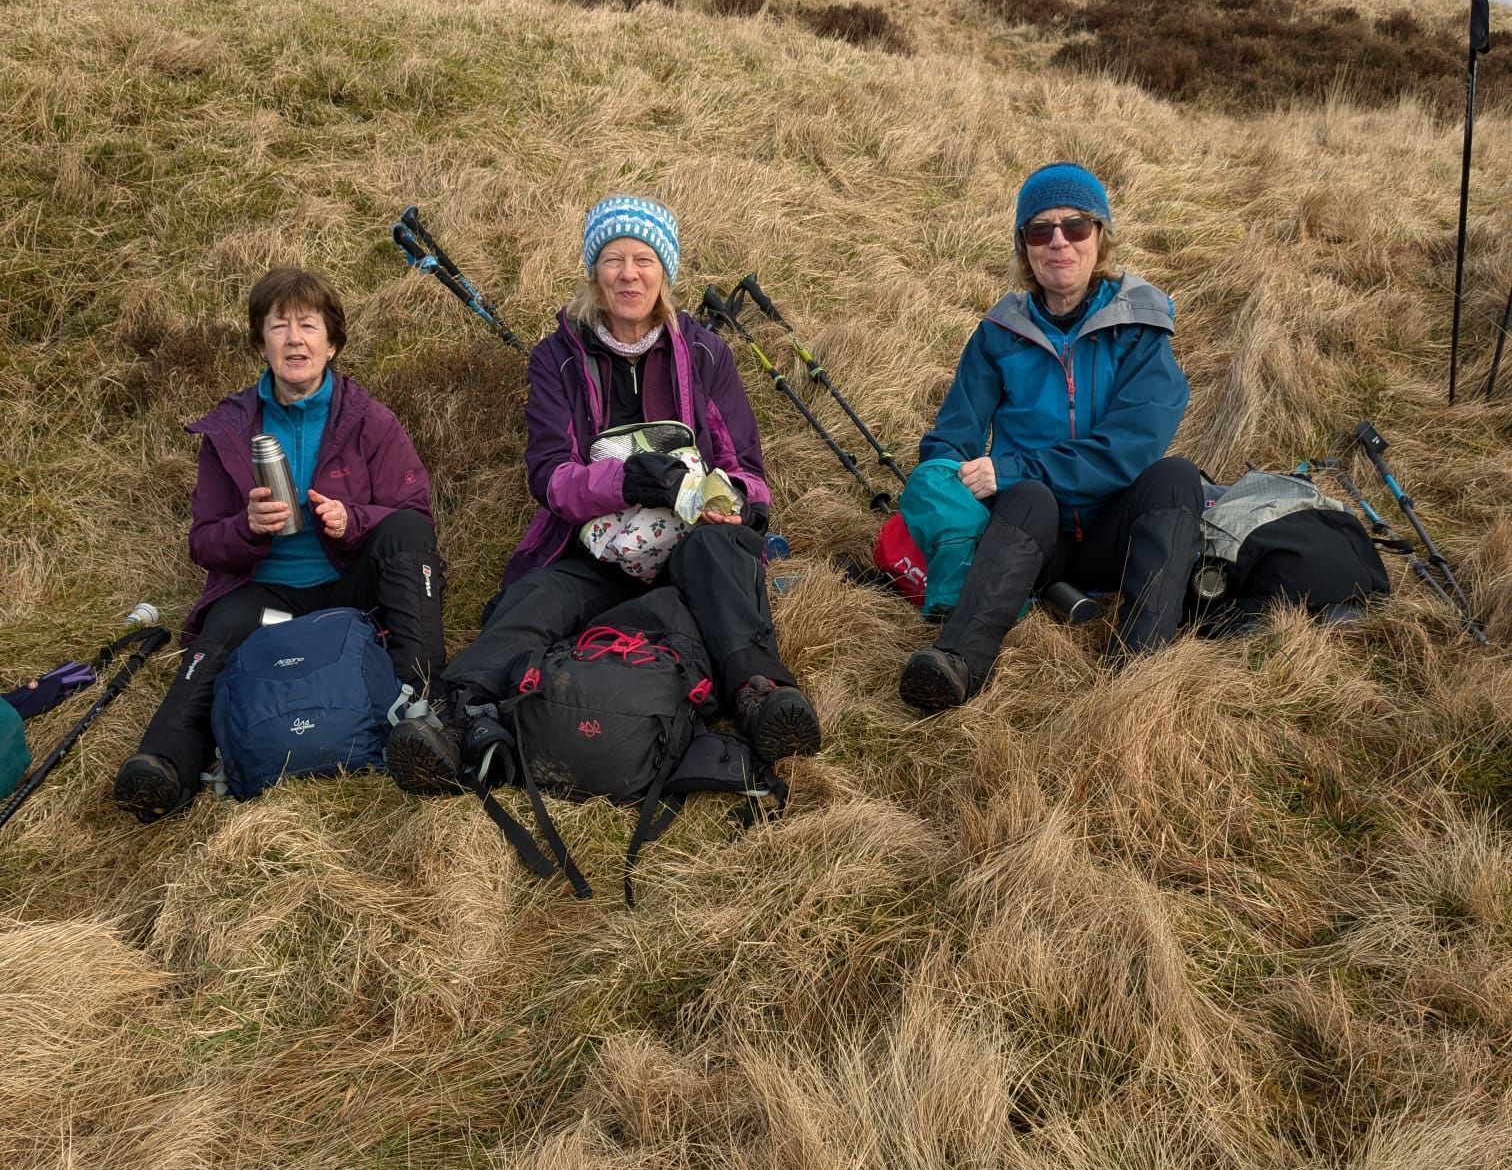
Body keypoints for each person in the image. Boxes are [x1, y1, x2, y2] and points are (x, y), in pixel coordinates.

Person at [387, 194, 820, 792]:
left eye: (644, 260)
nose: (628, 275)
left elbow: (746, 468)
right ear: (594, 271)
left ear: (664, 272)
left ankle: (760, 695)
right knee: (537, 597)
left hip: (691, 554)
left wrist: (734, 504)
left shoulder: (705, 354)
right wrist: (629, 480)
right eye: (613, 259)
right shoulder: (557, 358)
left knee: (719, 553)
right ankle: (457, 718)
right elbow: (549, 476)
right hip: (592, 550)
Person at [113, 266, 445, 820]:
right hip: (267, 598)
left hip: (349, 594)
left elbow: (415, 517)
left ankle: (424, 715)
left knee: (407, 533)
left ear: (331, 343)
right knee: (219, 634)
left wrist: (353, 520)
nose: (295, 339)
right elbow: (203, 543)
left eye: (308, 325)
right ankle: (164, 766)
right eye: (279, 326)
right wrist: (247, 527)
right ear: (260, 343)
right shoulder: (229, 430)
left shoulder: (370, 421)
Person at [899, 162, 1203, 711]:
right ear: (1025, 247)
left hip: (1115, 534)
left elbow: (1130, 450)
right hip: (1028, 539)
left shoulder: (1142, 331)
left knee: (1176, 478)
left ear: (1100, 237)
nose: (1058, 241)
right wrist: (945, 491)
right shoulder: (997, 334)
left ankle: (1140, 670)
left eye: (1075, 226)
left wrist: (1011, 469)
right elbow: (951, 438)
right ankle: (958, 660)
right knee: (1031, 497)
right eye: (1040, 230)